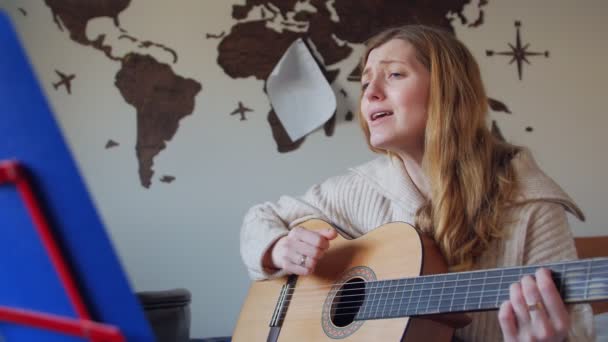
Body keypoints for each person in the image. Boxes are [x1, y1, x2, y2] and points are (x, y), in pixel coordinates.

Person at [240, 25, 596, 341]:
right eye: (365, 83)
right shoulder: (360, 189)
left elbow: (578, 332)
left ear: (448, 90)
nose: (370, 93)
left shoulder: (532, 203)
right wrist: (276, 247)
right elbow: (259, 217)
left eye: (394, 75)